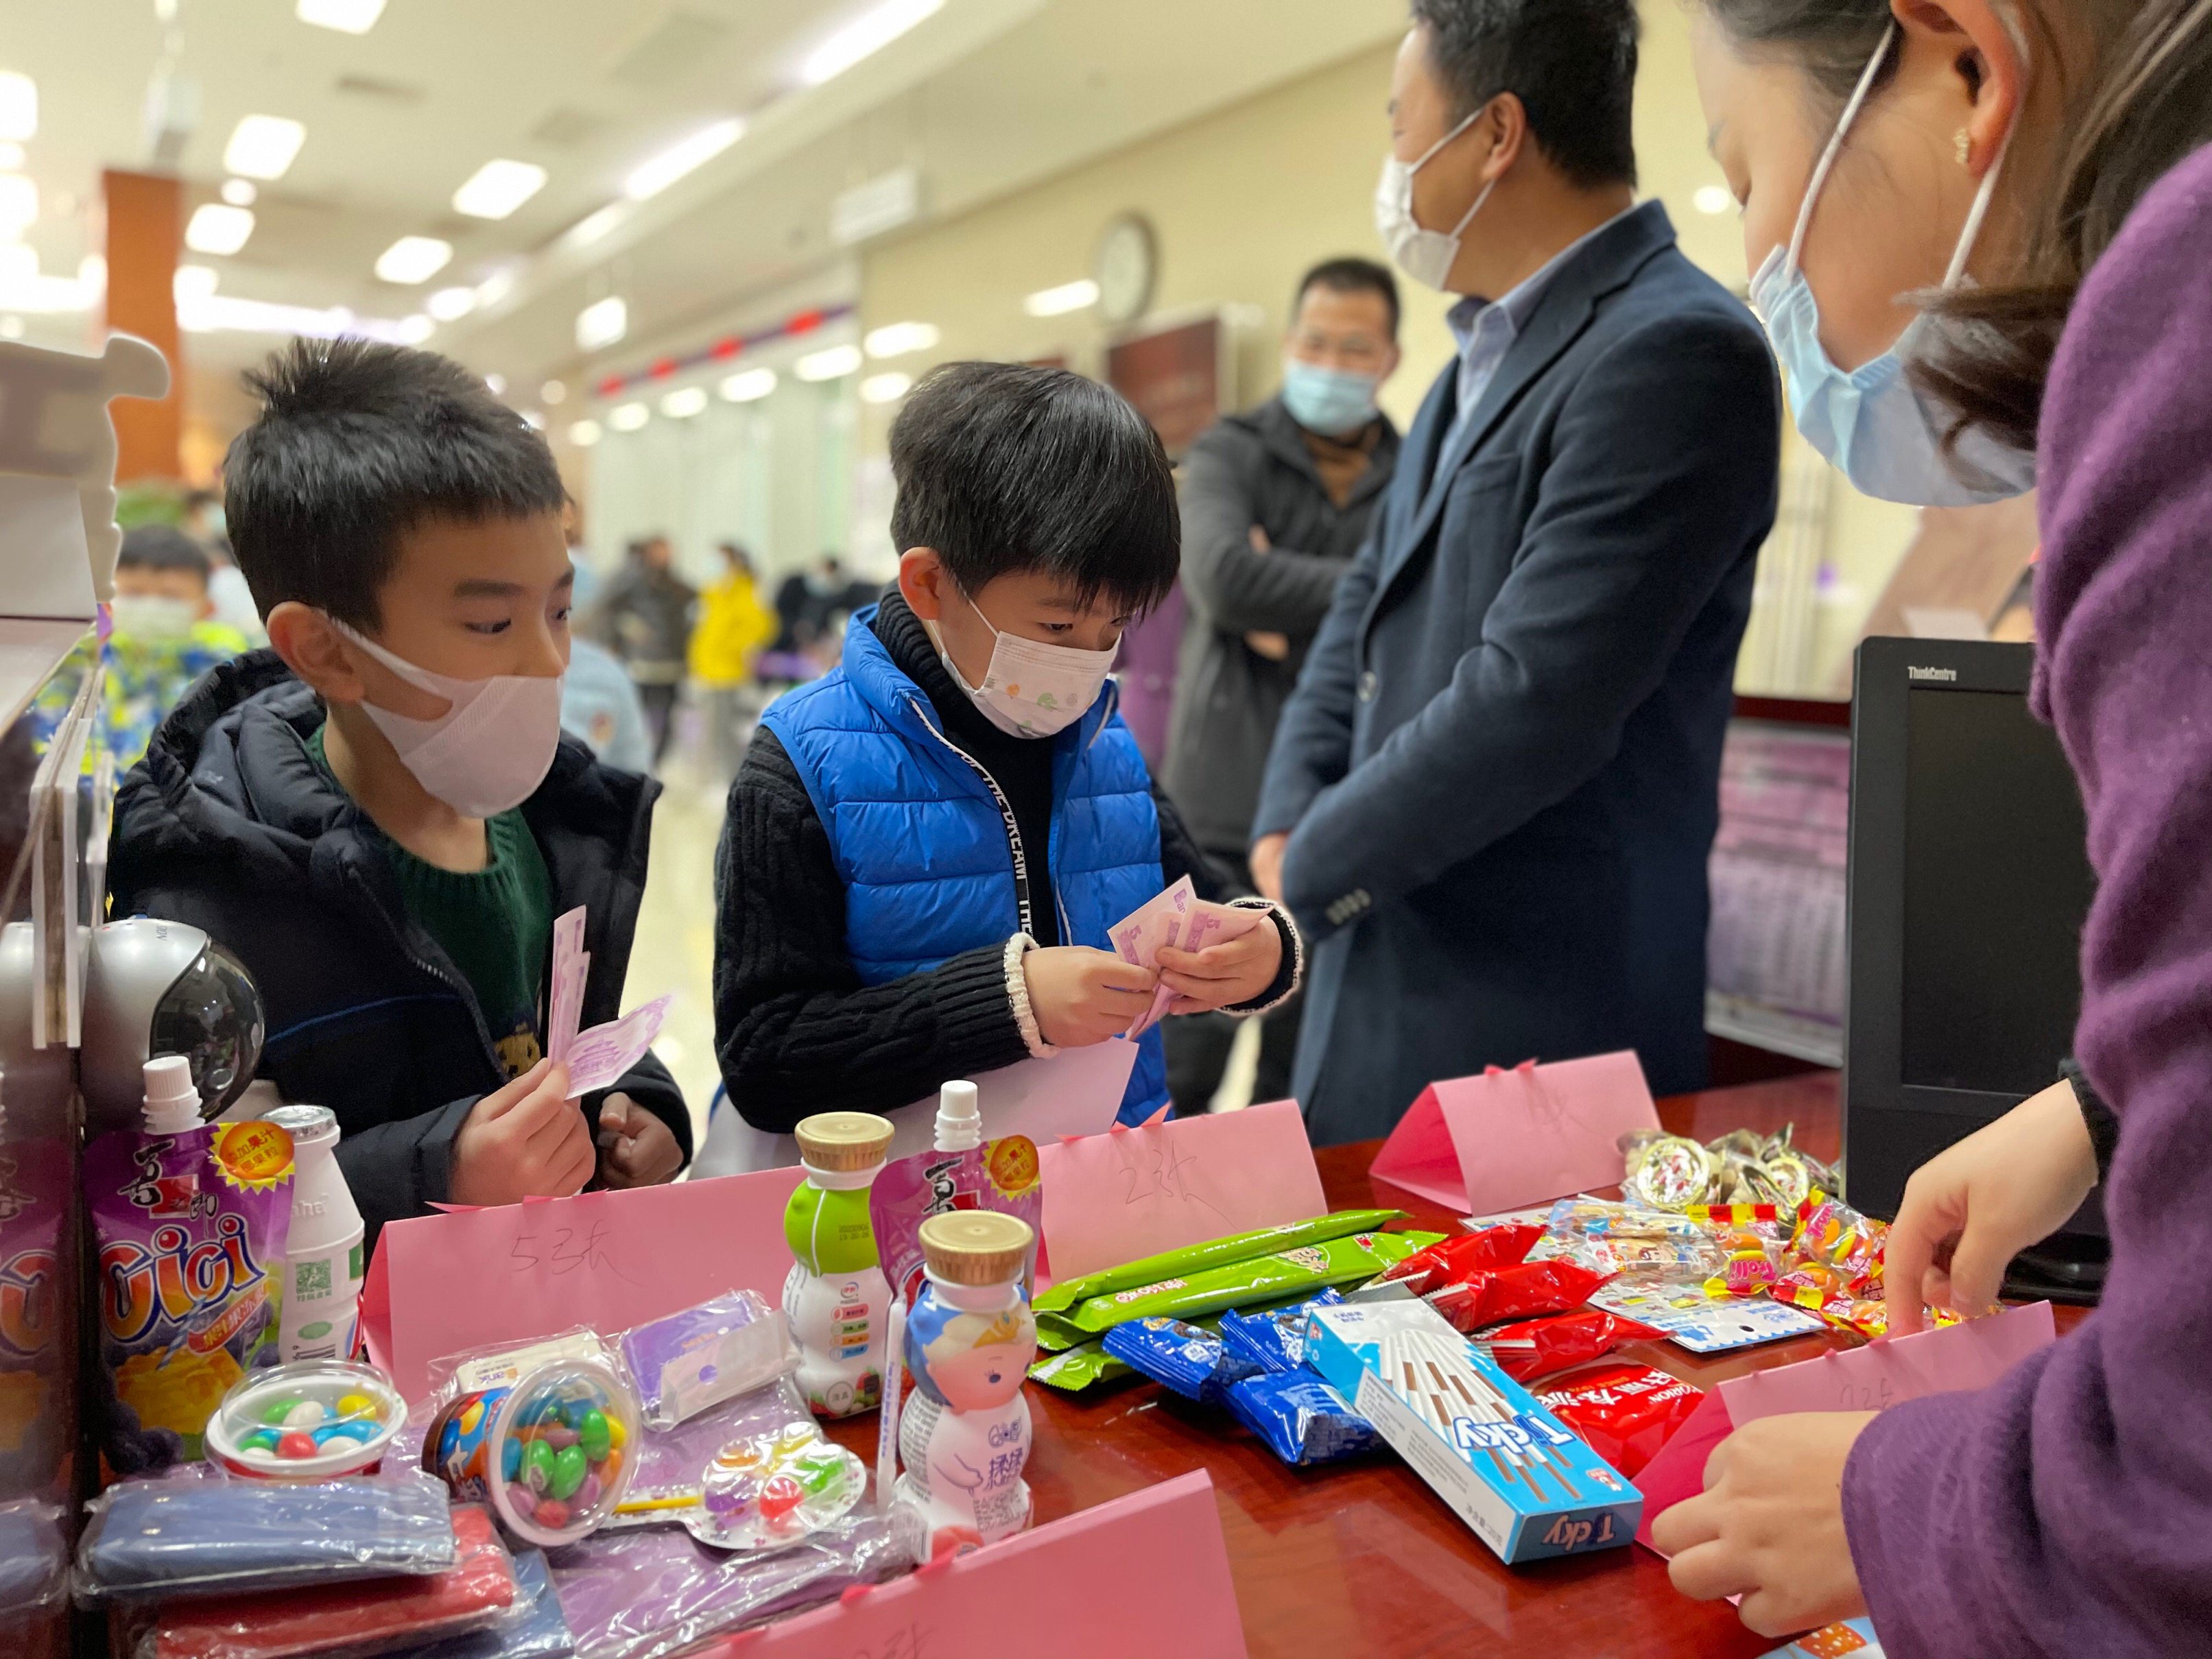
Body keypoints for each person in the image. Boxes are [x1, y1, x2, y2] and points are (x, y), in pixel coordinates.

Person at [1651, 3, 2212, 1651]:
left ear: (1965, 64)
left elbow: (2177, 1463)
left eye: (1743, 176)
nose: (1757, 260)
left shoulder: (2178, 304)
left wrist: (1889, 1500)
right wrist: (2095, 1111)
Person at [1250, 0, 1782, 1143]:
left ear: (1496, 134)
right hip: (1381, 981)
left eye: (1402, 125)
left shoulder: (1676, 350)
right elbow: (1365, 602)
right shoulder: (1472, 362)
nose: (1395, 163)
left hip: (1530, 1019)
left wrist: (1316, 862)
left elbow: (1535, 699)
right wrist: (1288, 815)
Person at [107, 339, 690, 1243]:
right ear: (326, 649)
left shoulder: (556, 822)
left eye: (560, 610)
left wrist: (633, 1103)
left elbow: (565, 1042)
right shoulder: (206, 903)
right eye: (491, 621)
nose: (551, 661)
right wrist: (432, 1172)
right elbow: (195, 1209)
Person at [713, 361, 1302, 1131]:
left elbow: (1201, 901)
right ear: (930, 585)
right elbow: (764, 1058)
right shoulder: (804, 761)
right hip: (915, 1192)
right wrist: (1004, 1004)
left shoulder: (1102, 738)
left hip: (1106, 1175)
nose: (1087, 662)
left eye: (1114, 627)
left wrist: (1260, 948)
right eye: (1057, 626)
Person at [1162, 256, 1405, 1114]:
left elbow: (1427, 604)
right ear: (1290, 342)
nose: (1330, 363)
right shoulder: (1231, 449)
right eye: (1315, 342)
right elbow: (1225, 580)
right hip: (1220, 807)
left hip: (1337, 809)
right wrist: (1371, 593)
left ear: (1390, 358)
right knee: (1181, 1068)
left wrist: (1286, 602)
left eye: (1354, 347)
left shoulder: (1418, 468)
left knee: (1296, 1088)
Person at [595, 534, 695, 767]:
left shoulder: (678, 587)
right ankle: (637, 760)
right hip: (642, 664)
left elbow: (694, 610)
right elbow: (608, 611)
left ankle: (655, 762)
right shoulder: (632, 584)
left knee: (667, 717)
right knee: (638, 714)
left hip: (672, 664)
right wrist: (627, 630)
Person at [689, 540, 776, 782]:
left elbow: (762, 626)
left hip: (730, 671)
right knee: (711, 729)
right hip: (708, 669)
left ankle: (732, 778)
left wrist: (735, 648)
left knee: (727, 730)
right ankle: (716, 778)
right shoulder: (712, 591)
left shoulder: (746, 590)